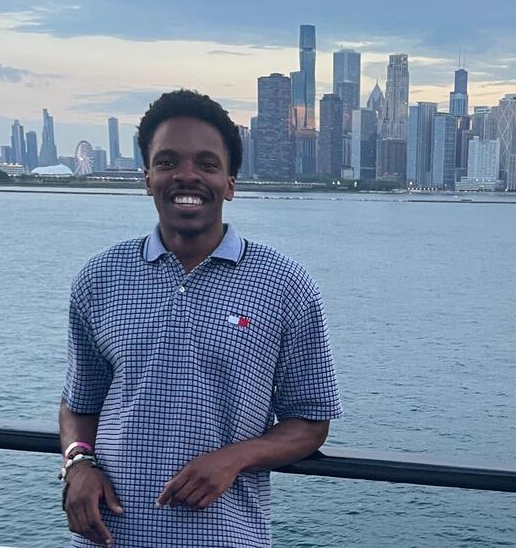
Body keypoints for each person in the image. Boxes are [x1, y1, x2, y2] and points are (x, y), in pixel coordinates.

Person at [58, 89, 342, 547]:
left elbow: (311, 421)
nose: (186, 176)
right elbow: (79, 403)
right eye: (167, 161)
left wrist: (235, 457)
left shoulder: (286, 284)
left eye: (207, 165)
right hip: (110, 537)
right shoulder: (99, 278)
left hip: (227, 537)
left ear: (230, 182)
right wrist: (78, 463)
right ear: (147, 177)